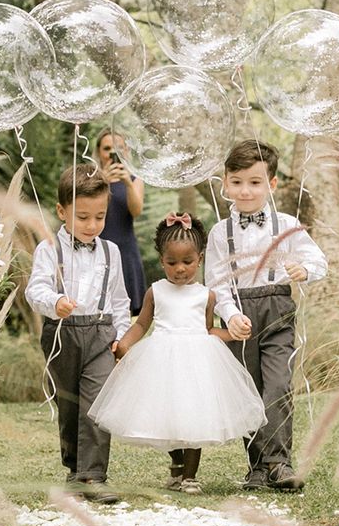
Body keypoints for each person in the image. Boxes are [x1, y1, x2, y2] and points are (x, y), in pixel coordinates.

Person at [88, 212, 267, 494]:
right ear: (161, 261)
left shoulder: (206, 295)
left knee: (194, 419)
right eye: (172, 263)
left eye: (187, 262)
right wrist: (123, 343)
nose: (180, 269)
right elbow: (143, 325)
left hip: (198, 363)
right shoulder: (155, 291)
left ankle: (189, 477)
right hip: (162, 362)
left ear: (200, 259)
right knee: (167, 420)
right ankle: (176, 465)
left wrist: (232, 333)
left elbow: (208, 329)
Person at [204, 140, 328, 492]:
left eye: (255, 182)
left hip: (277, 310)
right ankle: (257, 466)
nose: (246, 190)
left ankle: (279, 462)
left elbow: (319, 260)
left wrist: (303, 268)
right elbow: (215, 282)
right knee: (250, 390)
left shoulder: (287, 225)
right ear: (225, 183)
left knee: (276, 386)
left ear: (271, 185)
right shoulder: (218, 233)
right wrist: (228, 315)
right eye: (238, 181)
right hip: (241, 314)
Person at [25, 163, 131, 504]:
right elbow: (34, 289)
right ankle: (75, 471)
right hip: (61, 334)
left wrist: (122, 335)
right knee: (70, 406)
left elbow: (120, 300)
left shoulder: (111, 252)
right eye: (82, 217)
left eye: (99, 217)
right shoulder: (48, 250)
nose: (92, 225)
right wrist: (54, 302)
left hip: (100, 333)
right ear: (61, 211)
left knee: (96, 404)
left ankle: (94, 475)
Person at [95, 127, 146, 315]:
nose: (112, 153)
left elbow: (136, 210)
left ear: (126, 151)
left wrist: (127, 183)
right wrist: (103, 182)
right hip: (98, 248)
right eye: (107, 148)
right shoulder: (92, 179)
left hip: (125, 250)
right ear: (99, 152)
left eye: (118, 148)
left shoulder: (135, 179)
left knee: (127, 311)